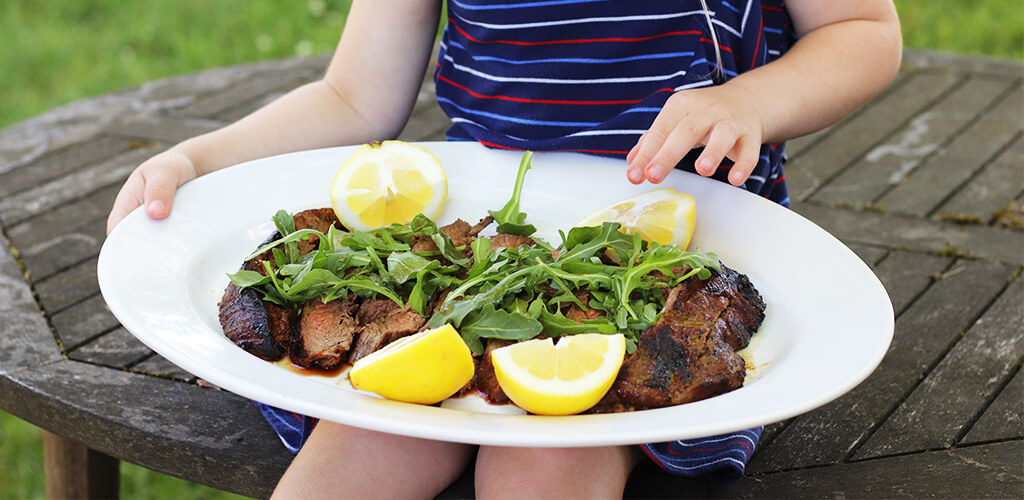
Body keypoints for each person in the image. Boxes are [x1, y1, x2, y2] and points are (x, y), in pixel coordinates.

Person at [106, 1, 902, 498]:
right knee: (361, 446)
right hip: (470, 278)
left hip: (668, 284)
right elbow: (353, 96)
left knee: (545, 468)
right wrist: (201, 163)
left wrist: (748, 100)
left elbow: (863, 30)